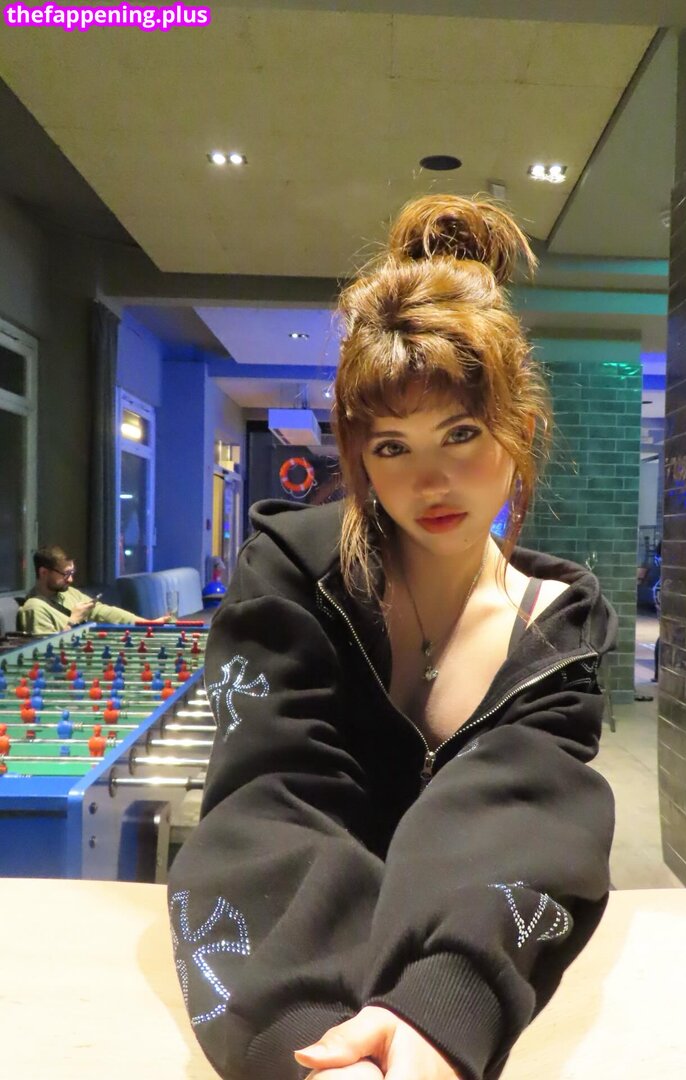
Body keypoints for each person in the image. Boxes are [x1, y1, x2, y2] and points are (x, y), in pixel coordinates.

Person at [168, 194, 618, 1080]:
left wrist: (437, 1013)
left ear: (520, 430)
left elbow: (529, 819)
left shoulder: (555, 629)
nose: (430, 480)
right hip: (281, 970)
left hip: (452, 976)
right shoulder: (296, 576)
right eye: (391, 447)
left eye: (461, 434)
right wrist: (313, 1042)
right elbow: (271, 797)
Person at [18, 545, 170, 634]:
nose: (70, 580)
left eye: (72, 573)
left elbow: (103, 612)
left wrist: (146, 624)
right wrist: (73, 620)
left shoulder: (68, 593)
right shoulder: (35, 608)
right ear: (44, 572)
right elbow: (44, 655)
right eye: (65, 574)